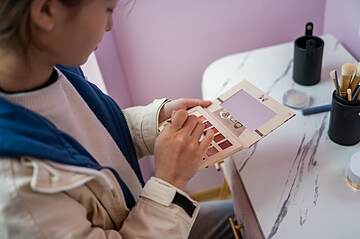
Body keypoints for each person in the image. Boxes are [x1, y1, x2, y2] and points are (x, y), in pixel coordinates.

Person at [0, 0, 234, 238]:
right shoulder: (19, 193)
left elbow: (94, 135)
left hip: (148, 216)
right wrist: (170, 181)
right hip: (153, 217)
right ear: (46, 11)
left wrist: (157, 121)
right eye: (108, 10)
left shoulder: (52, 67)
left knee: (242, 215)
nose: (110, 26)